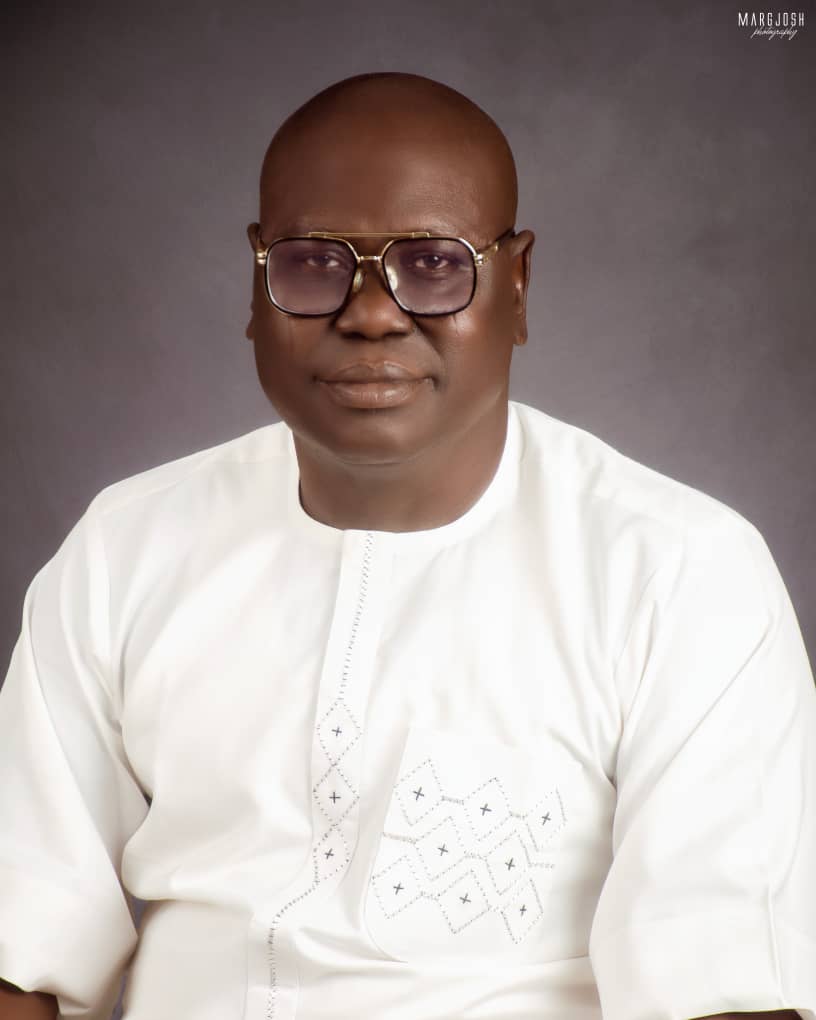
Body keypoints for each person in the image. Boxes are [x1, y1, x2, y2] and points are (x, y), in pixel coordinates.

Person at [0, 72, 813, 1020]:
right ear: (257, 282)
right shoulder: (126, 548)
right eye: (315, 263)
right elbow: (20, 945)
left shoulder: (680, 575)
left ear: (517, 285)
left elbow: (727, 988)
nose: (372, 312)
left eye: (433, 264)